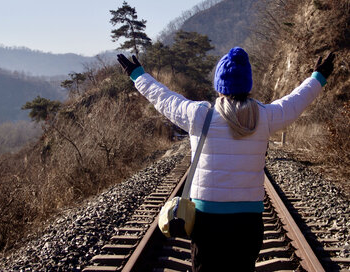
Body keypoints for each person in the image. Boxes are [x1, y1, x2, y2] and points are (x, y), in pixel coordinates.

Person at [117, 47, 335, 272]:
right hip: (247, 220)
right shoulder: (266, 116)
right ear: (248, 84)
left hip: (206, 219)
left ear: (219, 85)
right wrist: (318, 77)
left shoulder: (199, 115)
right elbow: (296, 101)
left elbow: (163, 97)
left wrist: (138, 75)